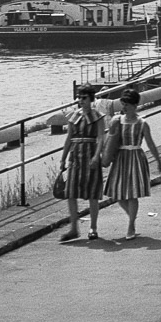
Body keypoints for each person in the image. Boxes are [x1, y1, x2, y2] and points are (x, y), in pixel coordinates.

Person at [103, 88, 161, 240]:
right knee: (117, 193)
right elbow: (109, 140)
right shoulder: (117, 120)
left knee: (132, 194)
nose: (124, 108)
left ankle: (131, 225)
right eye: (123, 104)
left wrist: (159, 162)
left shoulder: (142, 123)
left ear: (135, 105)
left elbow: (150, 144)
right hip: (120, 158)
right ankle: (132, 217)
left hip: (135, 157)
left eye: (127, 105)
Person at [58, 84, 105, 242]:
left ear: (91, 98)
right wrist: (63, 158)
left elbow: (100, 138)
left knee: (92, 192)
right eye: (79, 98)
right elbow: (69, 138)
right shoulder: (74, 116)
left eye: (84, 98)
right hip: (75, 157)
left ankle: (93, 227)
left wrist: (97, 156)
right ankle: (74, 228)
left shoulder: (98, 116)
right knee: (70, 192)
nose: (81, 101)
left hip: (90, 154)